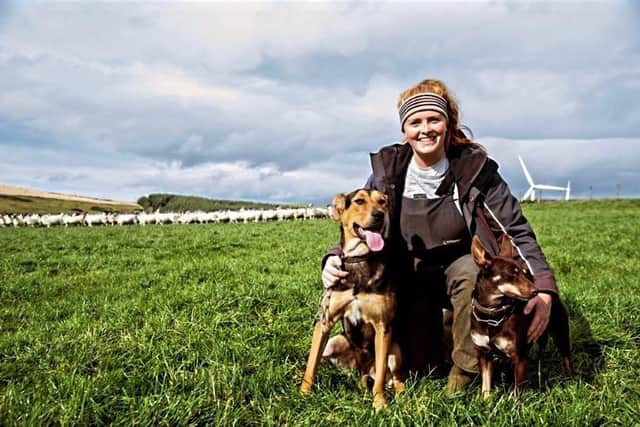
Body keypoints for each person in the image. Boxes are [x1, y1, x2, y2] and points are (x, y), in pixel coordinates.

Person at [321, 78, 558, 395]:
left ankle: (466, 369)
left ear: (448, 124)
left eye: (434, 119)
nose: (425, 129)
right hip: (406, 275)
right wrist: (335, 257)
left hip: (456, 272)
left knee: (471, 272)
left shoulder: (474, 170)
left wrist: (543, 287)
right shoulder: (388, 171)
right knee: (420, 366)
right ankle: (374, 348)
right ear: (405, 129)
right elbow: (360, 221)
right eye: (414, 122)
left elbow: (514, 229)